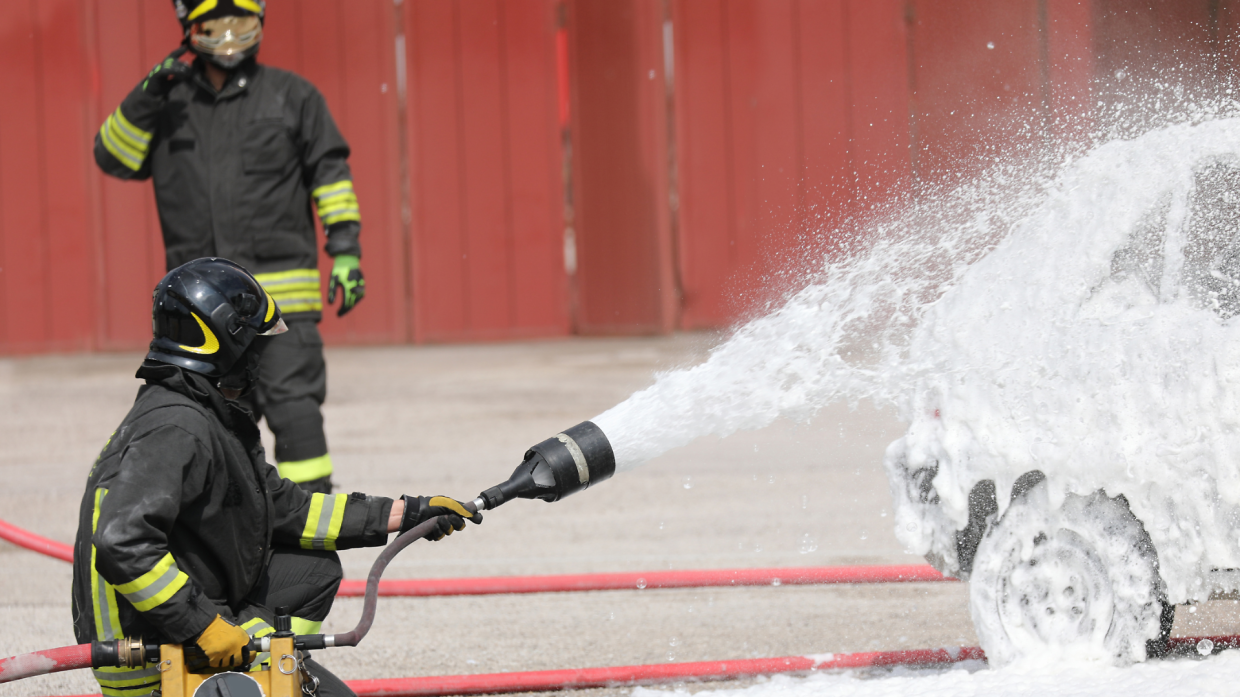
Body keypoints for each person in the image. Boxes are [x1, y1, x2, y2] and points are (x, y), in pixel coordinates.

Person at [70, 259, 480, 697]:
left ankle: (262, 666)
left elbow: (287, 508)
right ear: (222, 344)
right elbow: (121, 541)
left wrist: (409, 513)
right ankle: (232, 674)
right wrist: (204, 626)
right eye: (251, 345)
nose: (257, 360)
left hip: (168, 628)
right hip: (145, 656)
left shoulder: (198, 413)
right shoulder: (176, 429)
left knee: (313, 570)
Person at [94, 0, 362, 494]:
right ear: (188, 29)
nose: (230, 37)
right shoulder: (166, 104)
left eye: (242, 22)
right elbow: (112, 157)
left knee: (296, 415)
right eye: (216, 26)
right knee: (208, 423)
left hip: (283, 304)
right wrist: (146, 95)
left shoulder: (293, 96)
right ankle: (234, 539)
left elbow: (331, 175)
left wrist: (345, 250)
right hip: (200, 311)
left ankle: (311, 540)